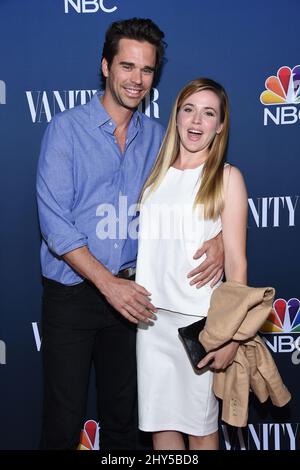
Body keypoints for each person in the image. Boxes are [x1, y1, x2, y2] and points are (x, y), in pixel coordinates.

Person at [36, 18, 223, 450]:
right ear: (105, 66)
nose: (136, 80)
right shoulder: (66, 129)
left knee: (124, 422)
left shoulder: (161, 138)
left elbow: (197, 193)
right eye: (127, 67)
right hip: (74, 293)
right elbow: (55, 225)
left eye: (147, 70)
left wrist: (221, 240)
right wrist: (108, 285)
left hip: (136, 295)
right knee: (62, 421)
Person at [136, 78, 248, 450]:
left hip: (198, 328)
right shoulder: (155, 174)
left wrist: (231, 336)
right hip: (151, 323)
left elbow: (237, 265)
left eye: (209, 112)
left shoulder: (227, 178)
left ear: (220, 125)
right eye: (189, 109)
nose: (197, 120)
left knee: (201, 431)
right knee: (160, 427)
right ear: (177, 116)